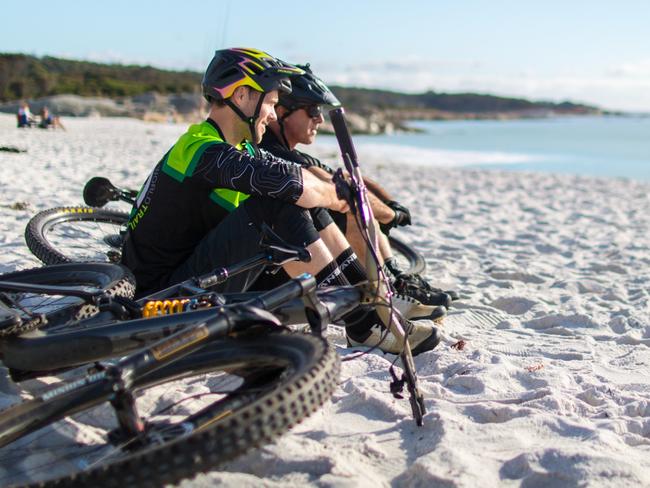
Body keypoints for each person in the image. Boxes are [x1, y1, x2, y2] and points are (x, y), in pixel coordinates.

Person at [120, 47, 442, 355]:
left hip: (197, 278)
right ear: (241, 95)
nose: (273, 114)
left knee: (302, 204)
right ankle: (364, 324)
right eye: (271, 103)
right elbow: (287, 183)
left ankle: (372, 307)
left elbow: (299, 177)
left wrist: (330, 193)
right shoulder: (199, 147)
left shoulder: (240, 148)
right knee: (276, 204)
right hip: (160, 299)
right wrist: (336, 196)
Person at [259, 63, 460, 307]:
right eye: (312, 110)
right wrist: (389, 214)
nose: (320, 119)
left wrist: (390, 203)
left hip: (294, 254)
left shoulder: (288, 149)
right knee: (356, 209)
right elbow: (349, 193)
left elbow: (350, 179)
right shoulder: (272, 152)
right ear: (280, 112)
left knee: (361, 205)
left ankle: (395, 280)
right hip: (279, 266)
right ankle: (390, 286)